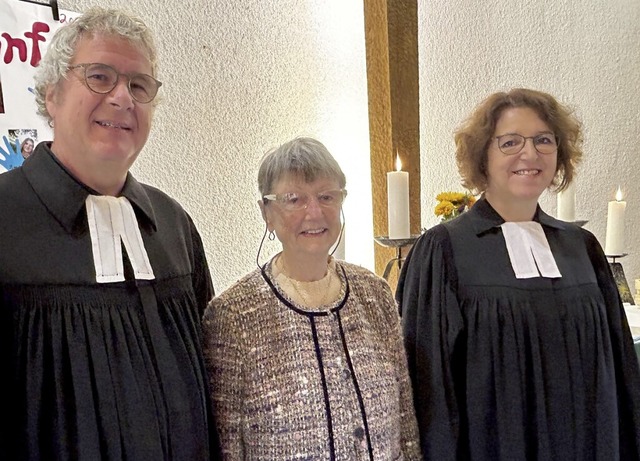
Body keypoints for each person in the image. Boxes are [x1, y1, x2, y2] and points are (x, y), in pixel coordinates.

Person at [0, 7, 219, 460]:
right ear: (51, 93)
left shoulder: (174, 225)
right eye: (99, 77)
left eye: (139, 86)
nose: (123, 98)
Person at [397, 88, 640, 460]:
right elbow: (429, 391)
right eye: (510, 142)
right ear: (483, 155)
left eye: (544, 140)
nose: (530, 154)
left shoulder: (583, 248)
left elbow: (622, 379)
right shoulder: (444, 250)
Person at [202, 137, 421, 460]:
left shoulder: (374, 295)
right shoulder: (234, 315)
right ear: (267, 212)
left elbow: (405, 427)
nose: (315, 212)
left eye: (327, 196)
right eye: (294, 199)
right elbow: (226, 446)